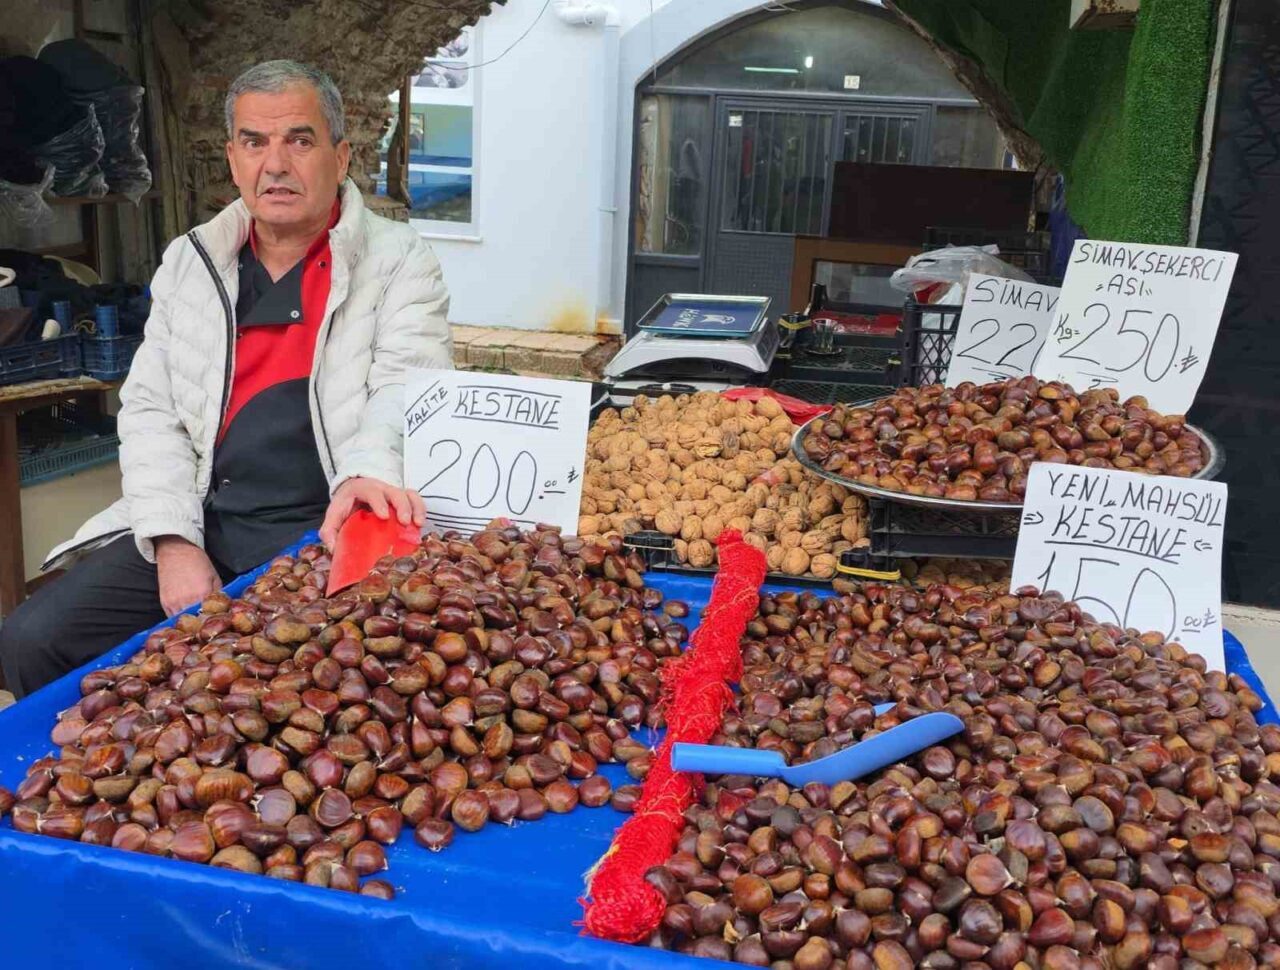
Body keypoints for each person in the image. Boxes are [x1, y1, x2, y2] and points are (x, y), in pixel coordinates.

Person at [0, 60, 451, 697]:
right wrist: (173, 540)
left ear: (341, 155)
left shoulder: (399, 259)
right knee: (31, 640)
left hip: (325, 523)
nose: (276, 164)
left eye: (299, 139)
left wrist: (369, 471)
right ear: (233, 159)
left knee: (311, 684)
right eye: (254, 141)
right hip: (206, 513)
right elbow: (151, 409)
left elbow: (407, 384)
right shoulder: (191, 261)